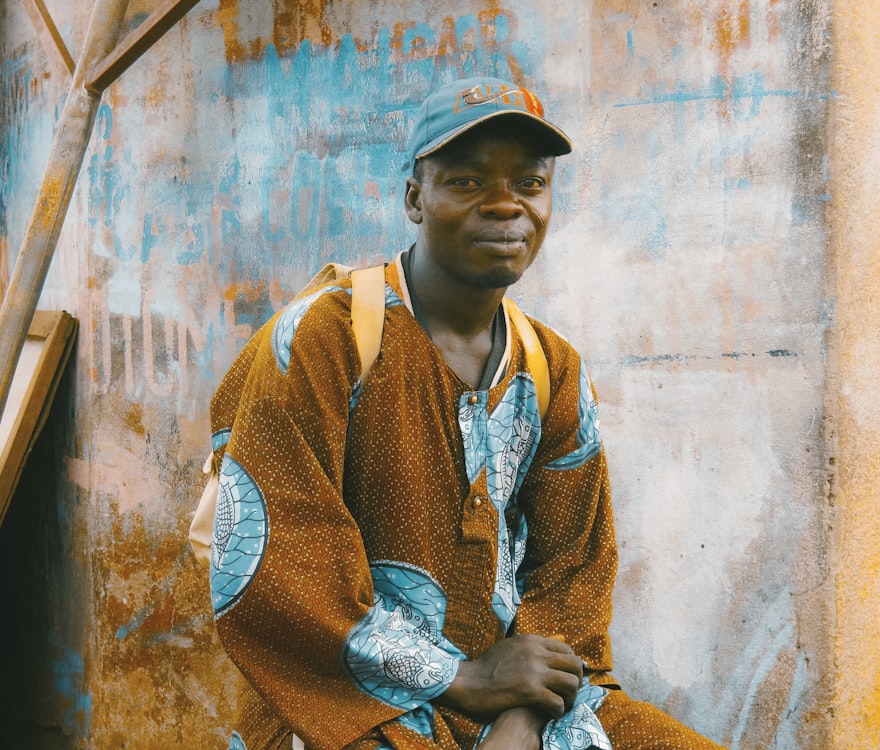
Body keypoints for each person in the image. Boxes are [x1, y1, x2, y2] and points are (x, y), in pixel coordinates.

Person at [207, 76, 724, 750]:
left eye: (530, 184)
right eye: (468, 182)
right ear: (415, 197)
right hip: (350, 700)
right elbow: (283, 573)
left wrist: (523, 711)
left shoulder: (551, 367)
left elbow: (572, 574)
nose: (505, 206)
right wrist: (461, 679)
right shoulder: (327, 339)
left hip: (509, 695)